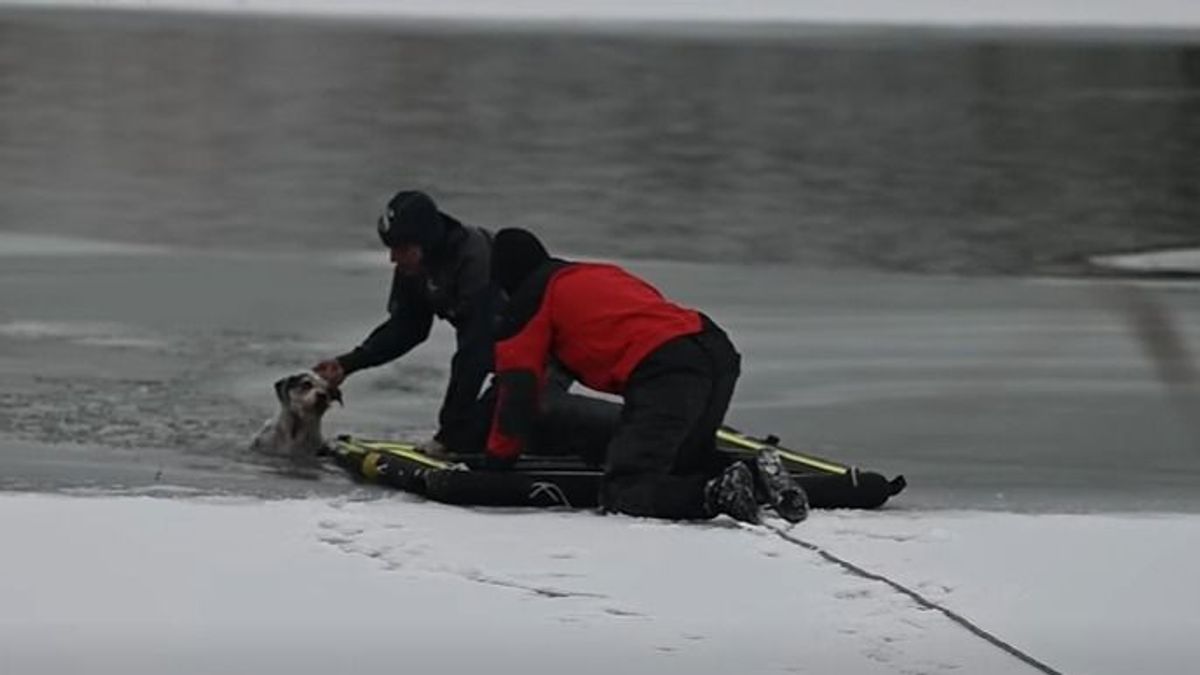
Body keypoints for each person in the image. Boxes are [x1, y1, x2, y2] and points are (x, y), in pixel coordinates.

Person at [484, 228, 808, 524]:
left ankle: (714, 494)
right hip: (713, 347)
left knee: (625, 491)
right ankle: (760, 475)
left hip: (665, 367)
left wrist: (499, 459)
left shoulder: (526, 304)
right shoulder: (594, 272)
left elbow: (518, 390)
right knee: (682, 461)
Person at [313, 190, 497, 454]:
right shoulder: (416, 266)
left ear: (426, 242)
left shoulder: (475, 260)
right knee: (473, 432)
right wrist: (347, 364)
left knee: (485, 432)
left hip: (543, 350)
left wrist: (448, 435)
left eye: (400, 249)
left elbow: (475, 352)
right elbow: (407, 328)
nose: (392, 258)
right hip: (502, 351)